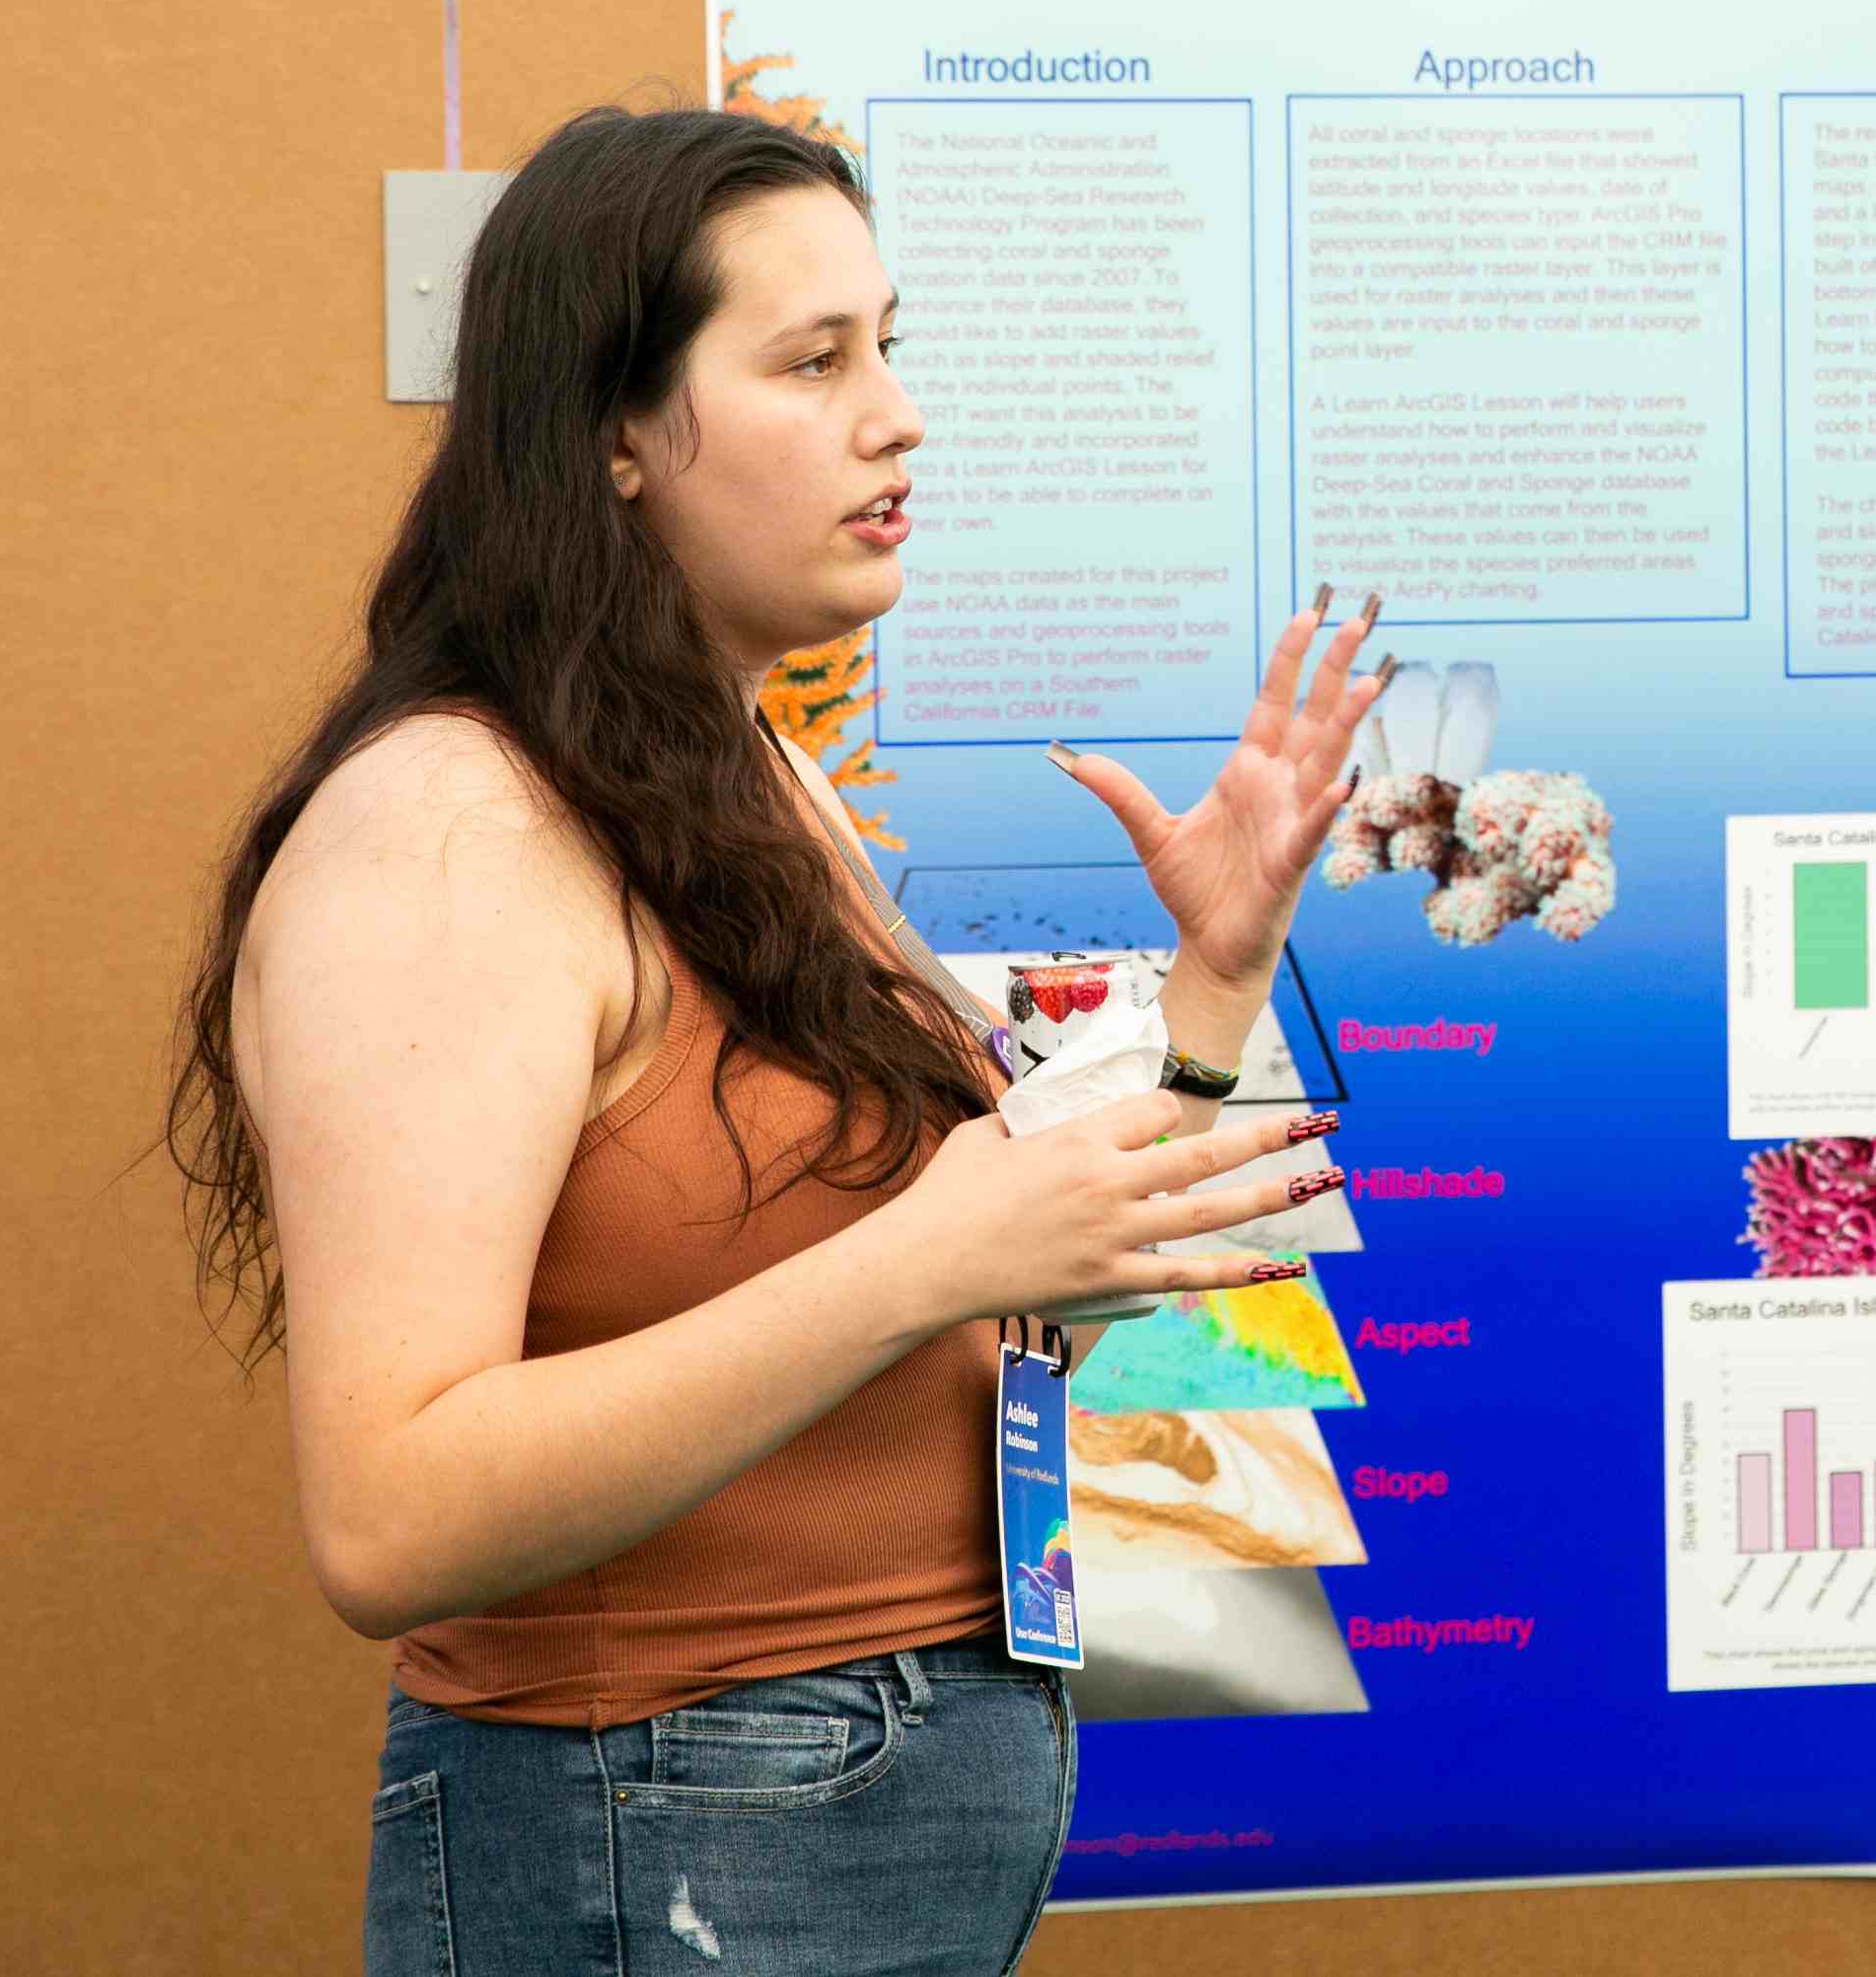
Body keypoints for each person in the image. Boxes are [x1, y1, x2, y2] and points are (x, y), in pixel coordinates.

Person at [166, 107, 1378, 1974]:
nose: (897, 416)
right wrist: (919, 1261)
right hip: (655, 1828)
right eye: (813, 362)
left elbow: (1007, 1310)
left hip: (852, 1805)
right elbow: (391, 1515)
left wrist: (1209, 990)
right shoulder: (451, 829)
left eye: (891, 346)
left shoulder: (743, 781)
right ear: (620, 436)